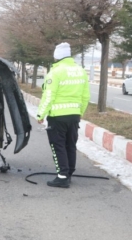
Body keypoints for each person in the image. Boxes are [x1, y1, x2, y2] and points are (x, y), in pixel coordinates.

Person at [36, 42, 90, 188]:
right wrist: (80, 112)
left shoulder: (55, 72)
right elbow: (86, 96)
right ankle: (69, 173)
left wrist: (41, 114)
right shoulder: (81, 71)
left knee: (58, 145)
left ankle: (62, 177)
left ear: (57, 56)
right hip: (74, 115)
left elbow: (49, 95)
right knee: (70, 145)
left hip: (58, 116)